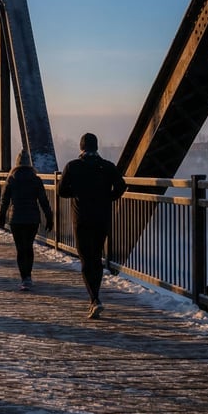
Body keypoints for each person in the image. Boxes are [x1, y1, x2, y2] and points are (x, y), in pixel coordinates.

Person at [57, 132, 127, 319]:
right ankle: (95, 298)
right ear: (96, 147)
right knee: (96, 258)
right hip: (102, 219)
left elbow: (61, 191)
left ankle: (94, 299)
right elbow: (121, 186)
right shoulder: (107, 167)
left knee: (86, 259)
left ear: (81, 148)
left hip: (82, 219)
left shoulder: (73, 166)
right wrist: (108, 198)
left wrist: (78, 193)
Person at [0, 150, 54, 291]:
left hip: (16, 219)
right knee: (28, 247)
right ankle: (28, 277)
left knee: (20, 248)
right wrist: (49, 217)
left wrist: (1, 217)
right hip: (32, 219)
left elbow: (4, 200)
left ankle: (24, 278)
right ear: (30, 164)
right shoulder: (36, 179)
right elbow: (43, 201)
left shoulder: (11, 179)